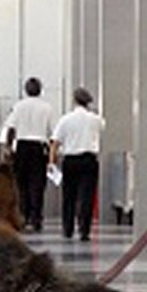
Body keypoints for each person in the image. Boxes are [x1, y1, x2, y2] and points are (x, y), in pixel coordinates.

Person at [50, 87, 104, 241]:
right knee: (87, 196)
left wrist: (52, 161)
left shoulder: (65, 119)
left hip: (70, 160)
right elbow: (102, 127)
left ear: (74, 101)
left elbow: (55, 143)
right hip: (89, 160)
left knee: (69, 196)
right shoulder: (95, 119)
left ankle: (68, 229)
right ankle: (84, 230)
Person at [2, 76, 55, 231]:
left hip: (22, 147)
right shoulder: (47, 108)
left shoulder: (18, 106)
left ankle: (23, 217)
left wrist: (8, 147)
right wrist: (53, 155)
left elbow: (11, 128)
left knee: (21, 183)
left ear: (26, 90)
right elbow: (52, 134)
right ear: (40, 90)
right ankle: (36, 218)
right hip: (39, 147)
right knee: (37, 184)